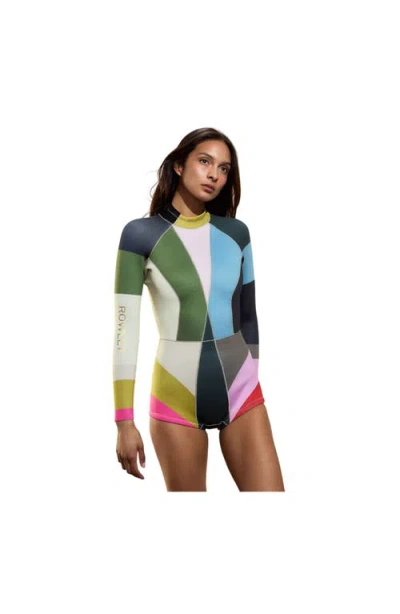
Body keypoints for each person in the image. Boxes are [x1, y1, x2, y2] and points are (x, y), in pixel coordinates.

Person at [113, 127, 285, 491]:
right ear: (179, 165)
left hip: (241, 391)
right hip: (175, 394)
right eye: (204, 161)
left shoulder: (236, 233)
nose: (214, 175)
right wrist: (124, 422)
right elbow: (124, 332)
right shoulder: (139, 235)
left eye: (223, 168)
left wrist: (249, 377)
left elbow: (248, 316)